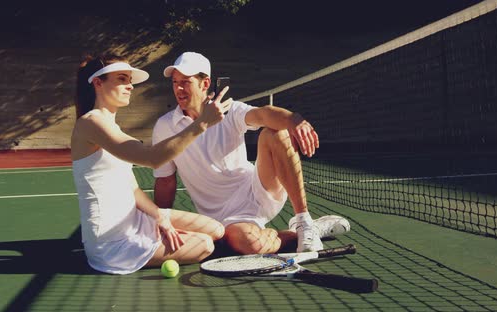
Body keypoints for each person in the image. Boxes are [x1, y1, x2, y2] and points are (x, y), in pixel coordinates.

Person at [152, 52, 350, 255]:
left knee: (276, 133)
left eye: (185, 82)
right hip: (222, 218)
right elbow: (165, 180)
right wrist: (160, 222)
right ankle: (299, 234)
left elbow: (263, 114)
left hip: (258, 190)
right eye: (175, 82)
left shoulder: (230, 111)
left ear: (205, 84)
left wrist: (293, 119)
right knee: (247, 243)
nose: (178, 88)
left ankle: (304, 221)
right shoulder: (164, 126)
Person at [70, 53, 229, 274]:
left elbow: (132, 187)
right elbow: (153, 159)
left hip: (136, 220)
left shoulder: (111, 126)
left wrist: (158, 215)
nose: (130, 86)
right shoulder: (91, 123)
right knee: (205, 244)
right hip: (111, 243)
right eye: (122, 79)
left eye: (129, 80)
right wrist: (201, 124)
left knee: (217, 229)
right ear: (98, 83)